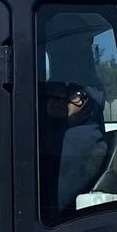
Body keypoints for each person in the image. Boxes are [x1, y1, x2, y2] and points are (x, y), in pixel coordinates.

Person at [41, 81, 109, 217]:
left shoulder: (79, 139)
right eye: (52, 94)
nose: (61, 101)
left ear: (90, 101)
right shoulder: (59, 132)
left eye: (72, 94)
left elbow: (49, 204)